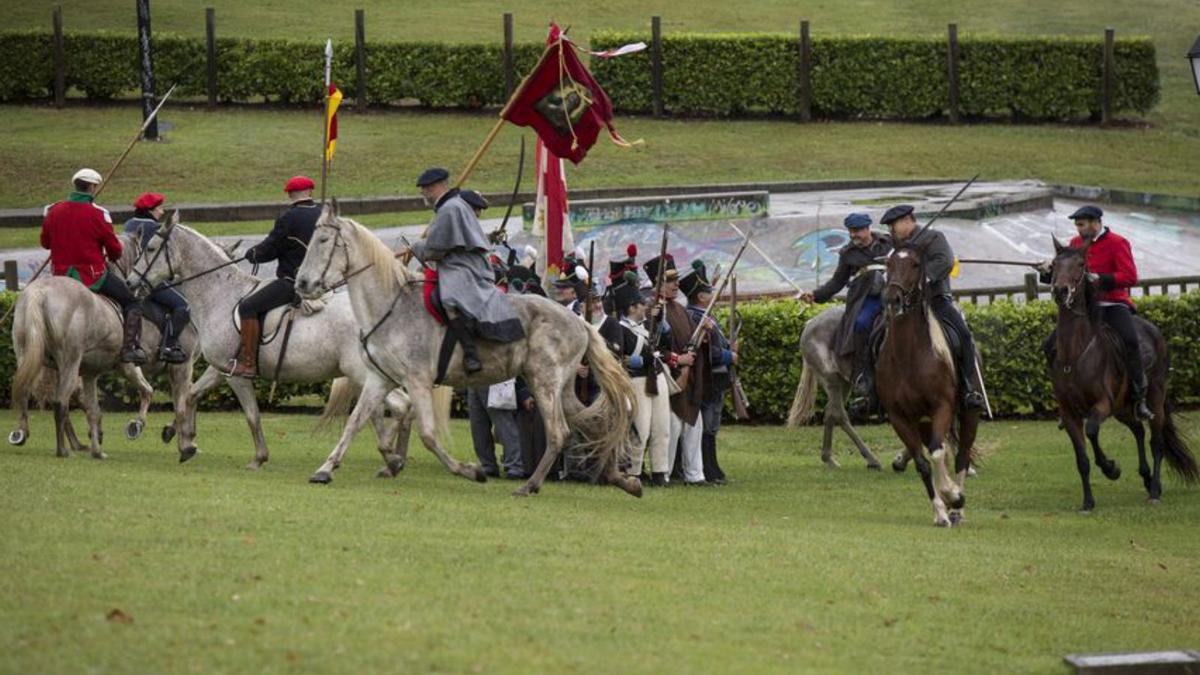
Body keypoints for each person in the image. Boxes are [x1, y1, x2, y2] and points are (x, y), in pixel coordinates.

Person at [1037, 205, 1152, 420]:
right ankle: (1065, 400)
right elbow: (1066, 275)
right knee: (1049, 345)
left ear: (1096, 223)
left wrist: (1101, 279)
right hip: (1084, 311)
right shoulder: (1074, 244)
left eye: (1081, 225)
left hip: (1112, 305)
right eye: (1077, 226)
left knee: (1130, 340)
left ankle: (1139, 397)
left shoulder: (1118, 243)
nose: (1078, 230)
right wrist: (1048, 271)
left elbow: (1130, 276)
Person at [407, 167, 525, 375]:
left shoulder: (449, 209)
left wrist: (417, 247)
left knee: (449, 298)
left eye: (425, 189)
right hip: (457, 261)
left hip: (464, 266)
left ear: (436, 187)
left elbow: (435, 249)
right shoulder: (454, 205)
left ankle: (470, 352)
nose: (423, 194)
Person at [879, 204, 985, 410]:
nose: (892, 230)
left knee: (962, 335)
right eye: (890, 226)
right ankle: (875, 389)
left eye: (894, 225)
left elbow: (944, 260)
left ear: (908, 220)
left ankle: (970, 387)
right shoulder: (895, 246)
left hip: (936, 299)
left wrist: (920, 280)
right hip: (907, 306)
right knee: (876, 334)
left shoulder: (934, 238)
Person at [40, 168, 147, 364]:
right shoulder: (99, 214)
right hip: (92, 276)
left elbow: (46, 243)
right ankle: (131, 347)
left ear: (76, 185)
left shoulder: (53, 210)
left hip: (60, 276)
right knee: (132, 302)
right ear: (92, 187)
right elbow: (115, 249)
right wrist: (109, 254)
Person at [227, 176, 320, 377]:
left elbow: (270, 248)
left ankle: (249, 363)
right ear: (310, 192)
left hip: (293, 284)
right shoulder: (324, 213)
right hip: (323, 283)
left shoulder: (289, 218)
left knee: (247, 307)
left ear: (289, 194)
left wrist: (252, 254)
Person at [799, 212, 892, 411]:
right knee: (861, 324)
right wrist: (815, 295)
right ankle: (862, 376)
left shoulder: (888, 243)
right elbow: (837, 282)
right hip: (867, 300)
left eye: (857, 231)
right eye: (851, 231)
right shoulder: (848, 254)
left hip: (894, 295)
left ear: (868, 229)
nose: (854, 235)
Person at [600, 272, 672, 486]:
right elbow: (617, 357)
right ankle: (635, 471)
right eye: (641, 304)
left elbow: (667, 342)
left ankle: (661, 471)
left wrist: (660, 321)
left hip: (656, 378)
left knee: (662, 428)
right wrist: (638, 361)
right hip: (637, 381)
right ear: (631, 308)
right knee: (640, 429)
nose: (645, 307)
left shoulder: (649, 325)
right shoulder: (620, 329)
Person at [643, 253, 708, 486]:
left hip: (686, 378)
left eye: (675, 280)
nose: (676, 284)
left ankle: (695, 474)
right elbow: (651, 346)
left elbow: (691, 339)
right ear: (658, 283)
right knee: (670, 426)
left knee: (694, 424)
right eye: (670, 281)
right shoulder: (651, 309)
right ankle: (665, 472)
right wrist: (678, 361)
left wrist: (703, 338)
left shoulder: (679, 309)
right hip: (665, 377)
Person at [681, 261, 737, 485]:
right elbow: (706, 351)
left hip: (717, 376)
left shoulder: (702, 315)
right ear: (701, 297)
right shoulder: (696, 318)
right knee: (708, 423)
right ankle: (708, 468)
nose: (711, 294)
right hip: (709, 375)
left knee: (712, 424)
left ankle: (712, 466)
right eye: (708, 292)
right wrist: (728, 356)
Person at [123, 192, 190, 364]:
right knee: (183, 306)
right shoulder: (155, 229)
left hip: (128, 278)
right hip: (147, 282)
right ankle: (169, 346)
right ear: (150, 210)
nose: (161, 212)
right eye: (159, 208)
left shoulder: (128, 224)